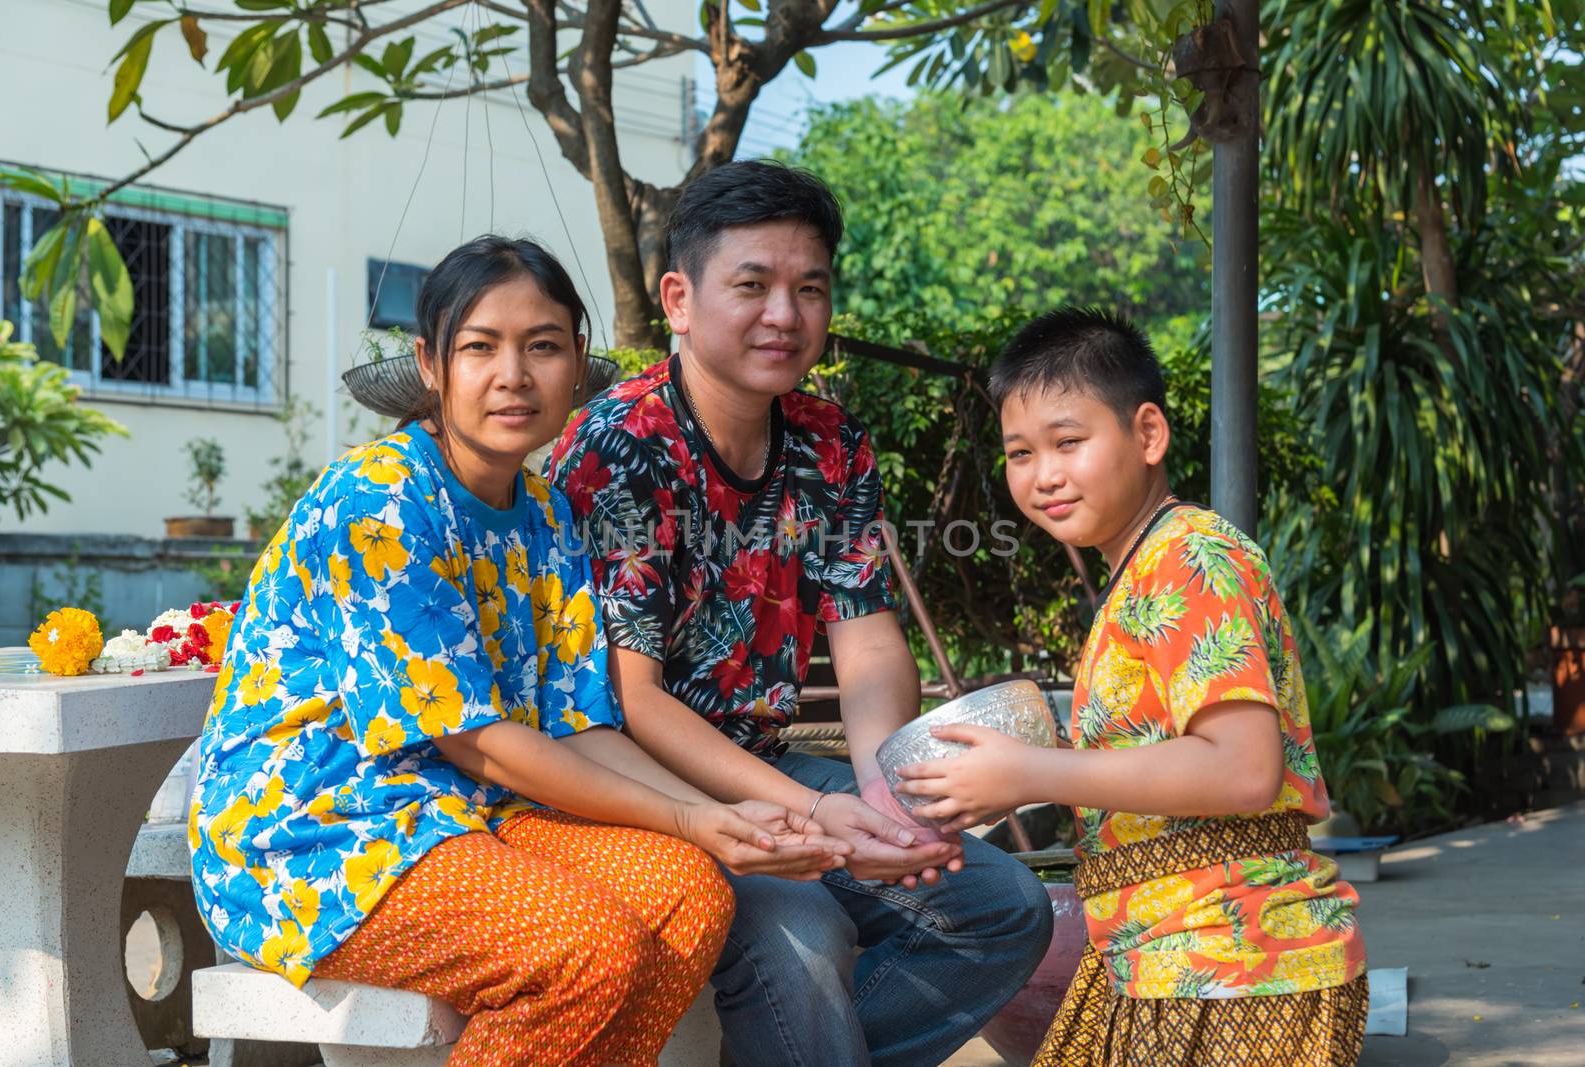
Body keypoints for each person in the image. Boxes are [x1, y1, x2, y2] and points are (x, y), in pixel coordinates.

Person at [189, 235, 848, 1067]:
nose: (513, 374)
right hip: (317, 836)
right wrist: (693, 817)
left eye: (541, 346)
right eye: (480, 347)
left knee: (687, 893)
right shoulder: (381, 501)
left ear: (577, 360)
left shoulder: (542, 511)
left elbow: (580, 725)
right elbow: (478, 739)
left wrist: (725, 820)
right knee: (585, 948)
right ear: (431, 363)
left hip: (464, 814)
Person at [549, 161, 1054, 1067]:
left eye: (808, 288)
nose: (785, 314)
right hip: (639, 791)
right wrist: (816, 822)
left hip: (768, 765)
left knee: (1000, 907)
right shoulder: (620, 444)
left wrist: (881, 796)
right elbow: (633, 698)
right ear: (677, 297)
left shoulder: (831, 441)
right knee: (806, 936)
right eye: (752, 285)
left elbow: (864, 637)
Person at [896, 306, 1369, 1066]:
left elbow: (1244, 768)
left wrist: (1026, 772)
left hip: (1234, 961)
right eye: (1020, 452)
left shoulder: (1191, 556)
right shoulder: (1139, 570)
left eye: (1068, 442)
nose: (1042, 474)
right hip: (1165, 955)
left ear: (1147, 434)